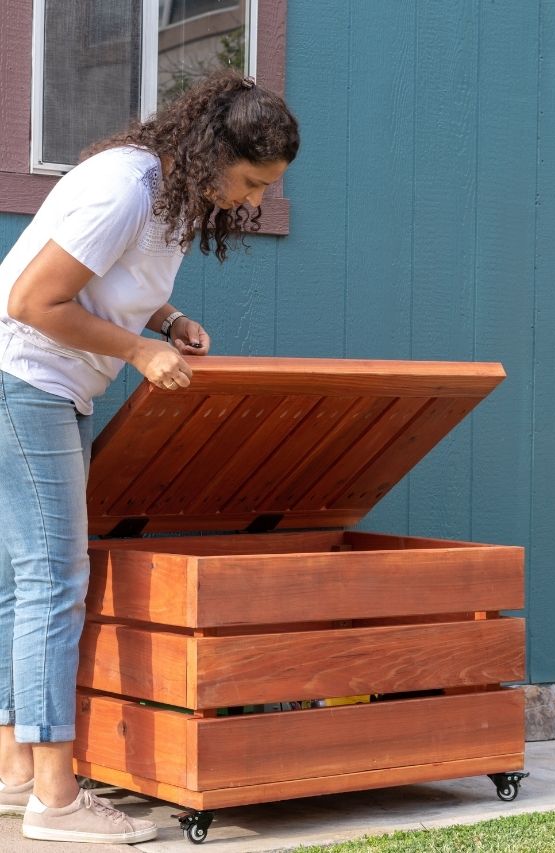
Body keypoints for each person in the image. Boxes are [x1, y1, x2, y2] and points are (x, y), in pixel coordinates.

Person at [0, 69, 299, 844]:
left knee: (23, 577)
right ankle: (57, 801)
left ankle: (15, 770)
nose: (254, 199)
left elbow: (105, 275)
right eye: (250, 180)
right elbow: (32, 300)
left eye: (269, 187)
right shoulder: (127, 187)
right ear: (213, 151)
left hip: (45, 384)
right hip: (23, 379)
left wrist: (164, 317)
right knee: (53, 580)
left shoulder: (166, 189)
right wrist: (136, 349)